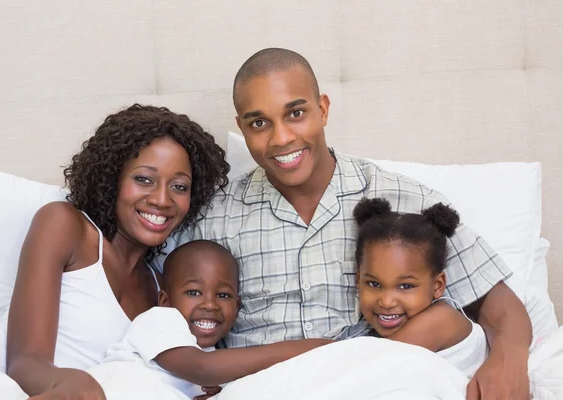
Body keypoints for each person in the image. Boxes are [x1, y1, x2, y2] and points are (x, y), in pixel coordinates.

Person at [169, 48, 533, 399]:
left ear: (323, 109)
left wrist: (509, 358)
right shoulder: (212, 219)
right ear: (242, 127)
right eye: (260, 123)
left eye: (296, 113)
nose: (281, 138)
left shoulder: (406, 201)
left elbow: (496, 302)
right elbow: (161, 310)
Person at [0, 104, 230, 399]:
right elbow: (24, 363)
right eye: (144, 179)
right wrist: (71, 384)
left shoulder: (164, 290)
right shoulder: (66, 227)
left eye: (179, 186)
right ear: (112, 179)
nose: (162, 199)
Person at [103, 240, 330, 399]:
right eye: (193, 292)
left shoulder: (215, 364)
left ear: (237, 306)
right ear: (165, 300)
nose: (210, 305)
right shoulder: (158, 321)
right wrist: (318, 348)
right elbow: (202, 368)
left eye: (223, 295)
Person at [351, 197, 488, 378]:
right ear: (358, 280)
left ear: (437, 286)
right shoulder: (366, 330)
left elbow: (367, 366)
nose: (386, 301)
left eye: (405, 286)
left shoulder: (441, 319)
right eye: (374, 284)